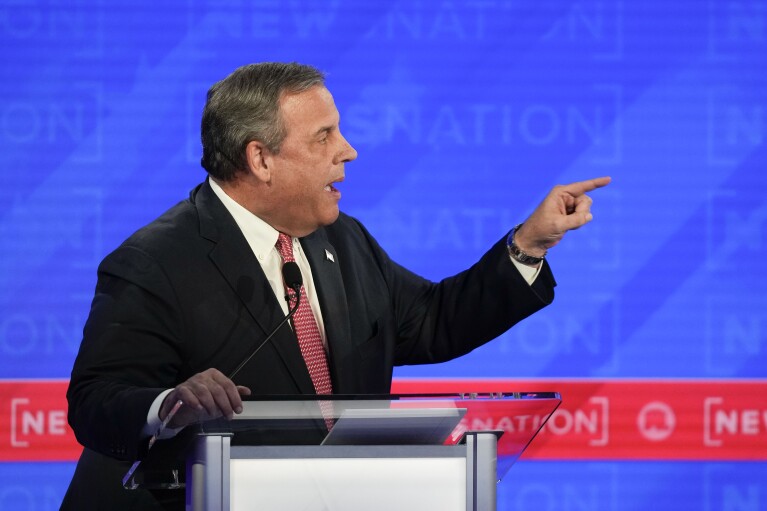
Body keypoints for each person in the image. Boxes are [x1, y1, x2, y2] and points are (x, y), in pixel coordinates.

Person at [61, 62, 610, 510]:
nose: (347, 150)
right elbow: (95, 401)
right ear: (261, 158)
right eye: (325, 136)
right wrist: (169, 404)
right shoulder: (153, 261)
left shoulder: (341, 240)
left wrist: (527, 246)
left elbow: (434, 321)